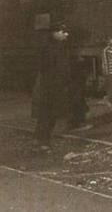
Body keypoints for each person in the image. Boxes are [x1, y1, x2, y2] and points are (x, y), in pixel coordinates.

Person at [34, 21, 91, 150]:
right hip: (51, 86)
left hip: (53, 85)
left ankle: (42, 139)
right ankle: (42, 141)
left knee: (49, 114)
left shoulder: (54, 46)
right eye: (63, 32)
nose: (67, 34)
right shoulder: (53, 47)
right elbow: (54, 67)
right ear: (55, 33)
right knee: (48, 113)